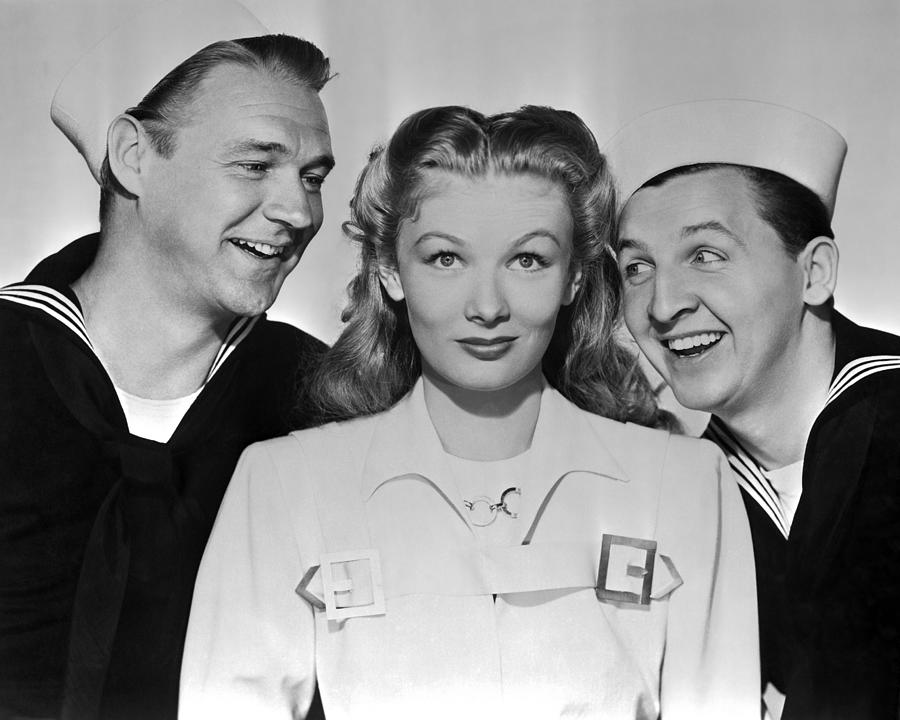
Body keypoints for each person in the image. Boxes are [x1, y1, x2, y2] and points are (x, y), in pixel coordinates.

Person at [179, 104, 759, 719]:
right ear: (389, 271)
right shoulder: (285, 485)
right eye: (446, 259)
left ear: (575, 278)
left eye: (527, 260)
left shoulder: (686, 484)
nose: (487, 306)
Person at [0, 2, 335, 719]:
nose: (300, 212)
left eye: (312, 176)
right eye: (256, 164)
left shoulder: (327, 404)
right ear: (134, 157)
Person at [605, 99, 900, 720]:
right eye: (637, 267)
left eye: (706, 254)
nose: (662, 305)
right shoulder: (684, 491)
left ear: (814, 272)